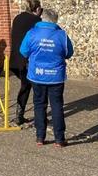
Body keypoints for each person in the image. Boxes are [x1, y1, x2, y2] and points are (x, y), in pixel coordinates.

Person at [19, 9, 74, 147]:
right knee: (57, 106)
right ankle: (59, 139)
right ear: (55, 20)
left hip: (37, 75)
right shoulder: (61, 35)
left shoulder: (32, 33)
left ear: (42, 19)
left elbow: (23, 51)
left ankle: (40, 137)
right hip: (55, 76)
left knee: (39, 105)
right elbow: (69, 53)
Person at [9, 0, 43, 126]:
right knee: (36, 87)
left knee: (26, 85)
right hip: (27, 60)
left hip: (15, 59)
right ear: (37, 9)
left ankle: (19, 115)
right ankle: (39, 117)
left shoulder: (17, 18)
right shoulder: (36, 21)